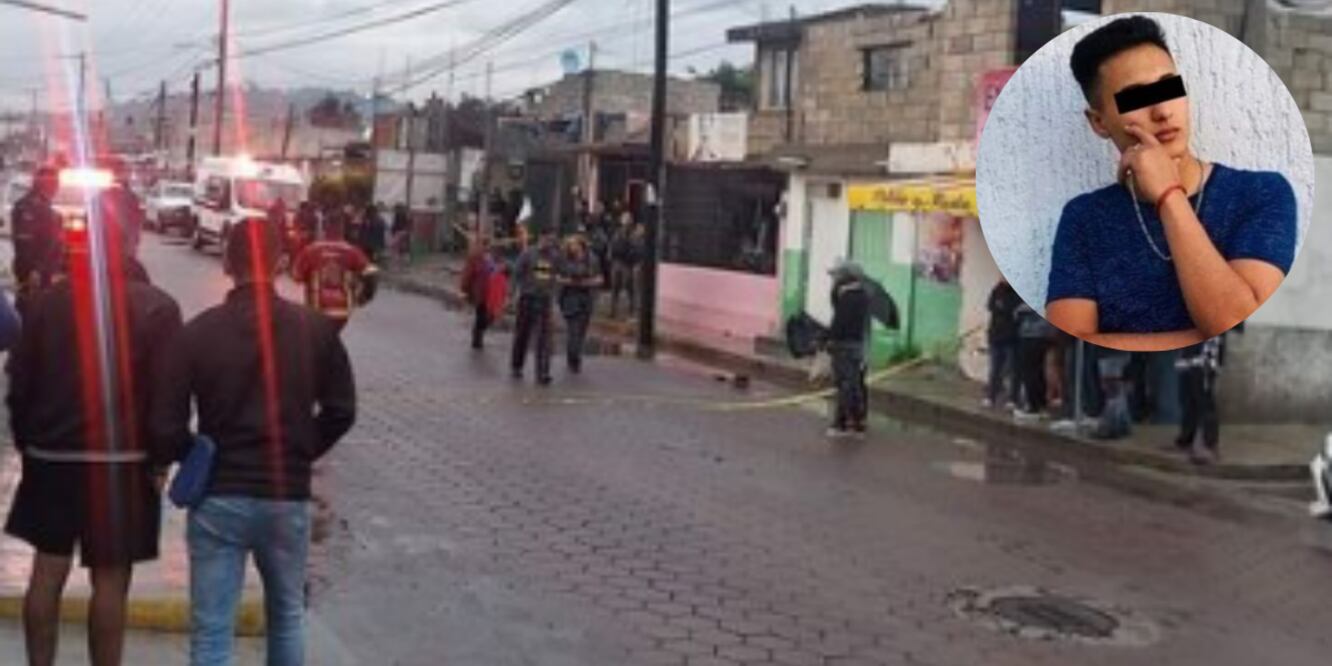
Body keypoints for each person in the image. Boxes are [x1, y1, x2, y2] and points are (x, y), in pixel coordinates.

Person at [150, 218, 356, 666]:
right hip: (286, 497)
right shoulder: (316, 330)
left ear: (227, 261)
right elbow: (342, 411)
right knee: (286, 617)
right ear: (282, 260)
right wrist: (300, 449)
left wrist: (197, 454)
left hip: (218, 498)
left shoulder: (197, 333)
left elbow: (164, 427)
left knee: (211, 630)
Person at [1045, 16, 1297, 352]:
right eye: (1135, 98)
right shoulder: (1085, 218)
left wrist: (1168, 195)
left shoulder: (1261, 194)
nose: (1162, 111)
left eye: (1169, 87)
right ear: (1099, 122)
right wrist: (1199, 339)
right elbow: (1070, 347)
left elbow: (1234, 325)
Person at [6, 191, 183, 666]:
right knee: (111, 581)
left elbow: (18, 385)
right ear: (133, 235)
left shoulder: (43, 305)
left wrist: (30, 445)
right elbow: (167, 401)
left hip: (51, 458)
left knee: (47, 572)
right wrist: (162, 459)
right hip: (122, 465)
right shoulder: (158, 308)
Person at [292, 215, 376, 333]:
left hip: (316, 311)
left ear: (324, 228)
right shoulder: (352, 251)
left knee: (319, 341)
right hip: (342, 311)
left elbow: (296, 276)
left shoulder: (311, 250)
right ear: (342, 228)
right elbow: (371, 273)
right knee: (331, 339)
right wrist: (365, 296)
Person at [1174, 328, 1234, 464]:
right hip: (1187, 359)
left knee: (1205, 402)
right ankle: (1186, 439)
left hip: (1204, 361)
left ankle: (1209, 444)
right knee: (1187, 402)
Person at [825, 259, 871, 438]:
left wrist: (829, 340)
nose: (834, 278)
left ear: (845, 277)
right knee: (854, 384)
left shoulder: (848, 297)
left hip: (844, 346)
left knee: (845, 385)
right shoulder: (863, 295)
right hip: (857, 345)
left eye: (836, 275)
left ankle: (841, 423)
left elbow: (839, 323)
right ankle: (858, 421)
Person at [510, 230, 562, 385]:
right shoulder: (528, 254)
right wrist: (513, 293)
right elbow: (517, 273)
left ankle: (542, 372)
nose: (549, 243)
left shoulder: (554, 257)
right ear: (540, 238)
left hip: (544, 300)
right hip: (527, 299)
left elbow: (558, 274)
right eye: (547, 239)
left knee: (543, 339)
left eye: (552, 241)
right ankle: (517, 366)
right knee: (522, 335)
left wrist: (555, 294)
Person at [10, 166, 62, 316]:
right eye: (53, 183)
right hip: (34, 277)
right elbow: (24, 242)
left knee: (37, 315)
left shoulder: (48, 210)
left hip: (43, 275)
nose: (56, 187)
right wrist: (35, 270)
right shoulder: (28, 207)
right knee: (29, 314)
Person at [557, 234, 603, 374]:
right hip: (570, 298)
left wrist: (587, 283)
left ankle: (574, 356)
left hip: (586, 298)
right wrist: (569, 281)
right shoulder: (564, 259)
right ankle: (574, 360)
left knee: (581, 331)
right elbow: (557, 277)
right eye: (570, 245)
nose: (572, 247)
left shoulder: (592, 259)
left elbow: (600, 278)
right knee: (573, 330)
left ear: (581, 245)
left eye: (575, 244)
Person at [1013, 302, 1057, 419]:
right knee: (1038, 371)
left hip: (1032, 334)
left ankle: (1033, 407)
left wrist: (1020, 310)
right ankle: (1041, 405)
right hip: (1044, 335)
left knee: (1030, 372)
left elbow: (1020, 311)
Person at [984, 280, 1022, 409]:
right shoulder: (997, 289)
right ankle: (991, 396)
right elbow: (990, 306)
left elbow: (1014, 310)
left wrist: (1003, 307)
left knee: (1012, 369)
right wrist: (1004, 308)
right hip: (995, 335)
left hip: (1012, 337)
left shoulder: (1018, 291)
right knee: (994, 368)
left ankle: (1012, 398)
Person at [461, 237, 503, 350]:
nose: (486, 247)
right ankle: (477, 339)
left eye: (488, 245)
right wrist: (464, 289)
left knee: (489, 316)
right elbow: (467, 273)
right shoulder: (474, 257)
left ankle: (478, 334)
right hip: (479, 293)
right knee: (481, 315)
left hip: (491, 293)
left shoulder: (494, 257)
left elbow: (500, 270)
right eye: (484, 245)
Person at [608, 209, 644, 319]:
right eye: (624, 218)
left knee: (629, 287)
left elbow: (636, 247)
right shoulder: (617, 231)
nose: (626, 220)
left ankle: (632, 310)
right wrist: (610, 255)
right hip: (616, 262)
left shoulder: (634, 233)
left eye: (628, 218)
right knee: (615, 287)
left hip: (627, 263)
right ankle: (613, 311)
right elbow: (612, 244)